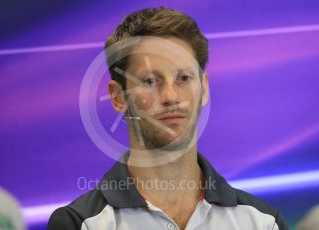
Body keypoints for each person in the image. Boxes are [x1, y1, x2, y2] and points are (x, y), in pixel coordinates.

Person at [48, 7, 288, 230]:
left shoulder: (262, 222)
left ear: (204, 88)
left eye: (183, 78)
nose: (171, 96)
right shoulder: (80, 224)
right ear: (118, 97)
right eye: (150, 81)